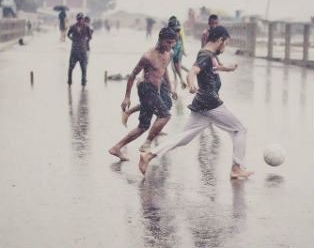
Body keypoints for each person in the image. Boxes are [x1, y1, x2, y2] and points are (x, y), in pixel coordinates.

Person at [139, 26, 254, 179]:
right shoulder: (205, 55)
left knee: (184, 138)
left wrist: (227, 68)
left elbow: (213, 68)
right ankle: (236, 168)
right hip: (210, 102)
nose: (225, 47)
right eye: (225, 44)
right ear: (219, 40)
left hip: (201, 104)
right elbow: (193, 71)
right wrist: (191, 83)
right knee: (240, 129)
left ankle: (149, 155)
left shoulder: (209, 54)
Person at [108, 28, 178, 161]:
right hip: (146, 88)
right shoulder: (148, 56)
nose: (170, 46)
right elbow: (133, 74)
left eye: (172, 43)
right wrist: (127, 97)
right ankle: (147, 144)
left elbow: (164, 70)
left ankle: (116, 148)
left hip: (155, 88)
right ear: (161, 40)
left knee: (143, 126)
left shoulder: (169, 53)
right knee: (165, 115)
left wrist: (170, 88)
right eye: (168, 42)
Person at [67, 13, 92, 89]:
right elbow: (68, 34)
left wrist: (85, 42)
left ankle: (83, 85)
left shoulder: (86, 27)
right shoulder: (73, 27)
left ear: (83, 19)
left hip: (83, 52)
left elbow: (90, 37)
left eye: (81, 19)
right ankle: (69, 83)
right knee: (70, 68)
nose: (80, 20)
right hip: (74, 51)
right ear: (77, 19)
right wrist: (73, 40)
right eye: (79, 19)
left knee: (84, 69)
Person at [168, 17, 187, 90]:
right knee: (173, 68)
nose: (177, 33)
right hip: (170, 54)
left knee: (177, 65)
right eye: (174, 30)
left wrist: (181, 79)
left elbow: (176, 63)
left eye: (178, 30)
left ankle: (179, 80)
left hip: (178, 51)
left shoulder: (178, 42)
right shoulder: (165, 41)